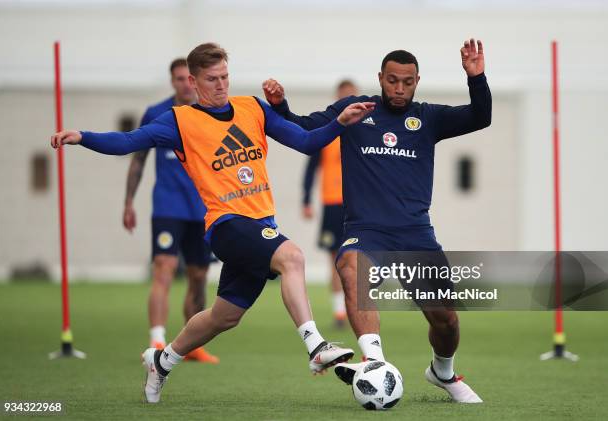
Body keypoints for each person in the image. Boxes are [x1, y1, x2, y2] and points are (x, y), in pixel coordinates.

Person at [50, 42, 375, 404]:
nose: (221, 85)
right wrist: (82, 137)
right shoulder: (180, 121)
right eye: (211, 79)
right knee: (293, 257)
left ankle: (163, 359)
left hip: (259, 223)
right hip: (225, 224)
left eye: (225, 77)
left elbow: (306, 141)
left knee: (224, 316)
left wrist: (339, 123)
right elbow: (128, 141)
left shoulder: (252, 108)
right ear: (193, 81)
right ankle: (315, 346)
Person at [262, 38, 491, 403]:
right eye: (392, 80)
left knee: (446, 321)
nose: (399, 88)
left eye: (407, 81)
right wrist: (280, 106)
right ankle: (376, 364)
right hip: (366, 231)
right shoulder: (354, 111)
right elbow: (303, 128)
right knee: (351, 269)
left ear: (417, 81)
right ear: (380, 78)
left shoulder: (429, 117)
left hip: (416, 234)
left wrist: (476, 78)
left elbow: (480, 117)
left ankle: (442, 373)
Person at [123, 57, 218, 363]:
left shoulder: (210, 113)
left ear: (195, 80)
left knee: (198, 276)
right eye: (178, 78)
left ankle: (192, 345)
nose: (183, 83)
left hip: (203, 209)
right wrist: (128, 202)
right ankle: (158, 340)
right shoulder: (156, 113)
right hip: (167, 206)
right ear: (173, 81)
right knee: (163, 268)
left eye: (187, 78)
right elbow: (138, 159)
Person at [302, 80, 358, 328]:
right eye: (342, 96)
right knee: (334, 259)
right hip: (332, 204)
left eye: (350, 96)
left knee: (357, 259)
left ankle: (357, 309)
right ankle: (339, 312)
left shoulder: (365, 131)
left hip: (357, 205)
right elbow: (311, 167)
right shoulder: (327, 130)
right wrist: (306, 199)